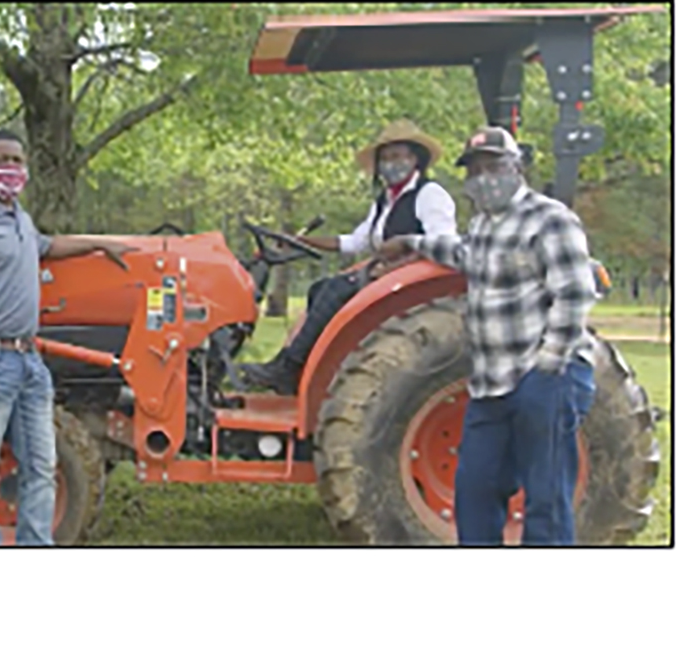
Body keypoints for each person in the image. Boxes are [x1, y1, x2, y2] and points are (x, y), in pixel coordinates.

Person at [377, 126, 598, 546]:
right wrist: (410, 242)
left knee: (546, 498)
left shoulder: (550, 219)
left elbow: (574, 294)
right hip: (492, 382)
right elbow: (463, 253)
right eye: (475, 170)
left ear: (517, 167)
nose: (484, 178)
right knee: (475, 489)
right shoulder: (482, 225)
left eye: (494, 166)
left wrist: (547, 368)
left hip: (546, 375)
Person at [0, 129, 136, 546]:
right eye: (2, 159)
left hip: (28, 359)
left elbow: (46, 246)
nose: (11, 167)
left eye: (17, 160)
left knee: (42, 466)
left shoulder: (18, 218)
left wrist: (97, 244)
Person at [240, 119, 458, 394]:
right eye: (385, 158)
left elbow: (443, 243)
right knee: (320, 289)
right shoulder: (385, 201)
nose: (391, 164)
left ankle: (289, 366)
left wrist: (398, 266)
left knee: (335, 291)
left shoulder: (430, 195)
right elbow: (355, 241)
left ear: (415, 159)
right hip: (385, 275)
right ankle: (299, 371)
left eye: (398, 156)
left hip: (408, 281)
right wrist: (300, 240)